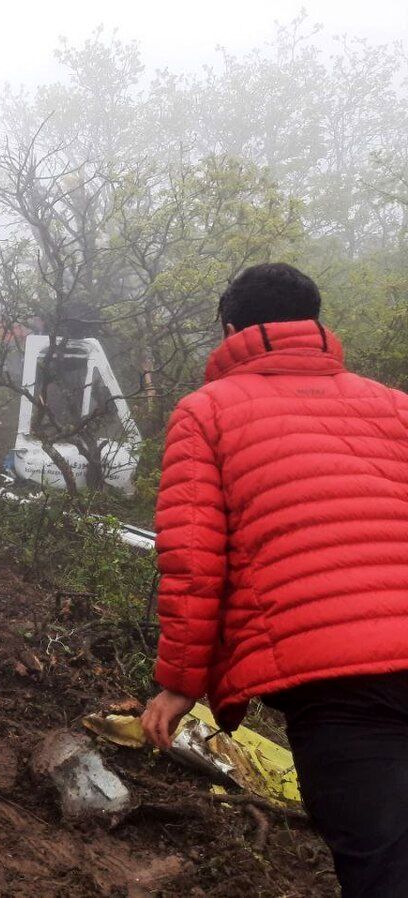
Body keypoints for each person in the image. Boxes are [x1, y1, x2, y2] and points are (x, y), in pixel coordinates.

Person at [139, 263, 408, 897]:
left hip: (339, 685)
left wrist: (180, 682)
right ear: (315, 323)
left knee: (382, 865)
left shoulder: (207, 411)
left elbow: (193, 557)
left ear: (231, 328)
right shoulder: (395, 406)